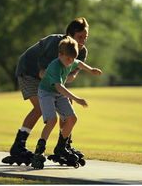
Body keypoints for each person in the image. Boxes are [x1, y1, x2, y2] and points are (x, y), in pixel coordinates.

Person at [9, 18, 89, 158]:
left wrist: (64, 83)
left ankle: (63, 146)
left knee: (66, 105)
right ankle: (18, 146)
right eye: (79, 37)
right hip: (29, 71)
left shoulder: (80, 52)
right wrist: (59, 85)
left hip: (47, 77)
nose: (82, 41)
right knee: (40, 107)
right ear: (69, 35)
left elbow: (72, 75)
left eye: (85, 37)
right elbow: (42, 73)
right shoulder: (55, 44)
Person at [31, 36, 102, 169]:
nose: (70, 62)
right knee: (51, 121)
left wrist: (91, 69)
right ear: (60, 54)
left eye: (72, 59)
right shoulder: (55, 66)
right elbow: (59, 87)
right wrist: (77, 99)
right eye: (68, 58)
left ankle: (61, 148)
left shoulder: (71, 60)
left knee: (72, 118)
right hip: (46, 92)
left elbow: (79, 63)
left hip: (58, 93)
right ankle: (39, 152)